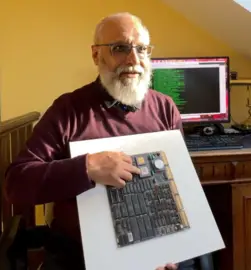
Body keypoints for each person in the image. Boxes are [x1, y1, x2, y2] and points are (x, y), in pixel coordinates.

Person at [4, 12, 189, 270]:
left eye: (142, 49)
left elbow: (178, 186)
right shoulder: (67, 110)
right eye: (120, 48)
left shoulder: (165, 108)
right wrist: (87, 168)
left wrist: (170, 249)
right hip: (80, 259)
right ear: (96, 55)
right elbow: (17, 183)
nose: (134, 60)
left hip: (156, 254)